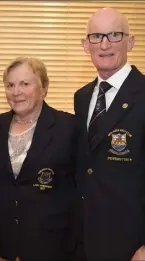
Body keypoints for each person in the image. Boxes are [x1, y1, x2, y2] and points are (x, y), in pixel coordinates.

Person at [74, 7, 145, 261]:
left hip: (131, 245)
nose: (104, 44)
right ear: (86, 45)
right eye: (96, 36)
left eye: (114, 35)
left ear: (131, 42)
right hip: (84, 240)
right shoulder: (81, 97)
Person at [0, 57, 77, 261]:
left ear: (44, 88)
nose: (16, 91)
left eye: (25, 84)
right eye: (10, 85)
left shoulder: (68, 127)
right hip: (7, 248)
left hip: (54, 248)